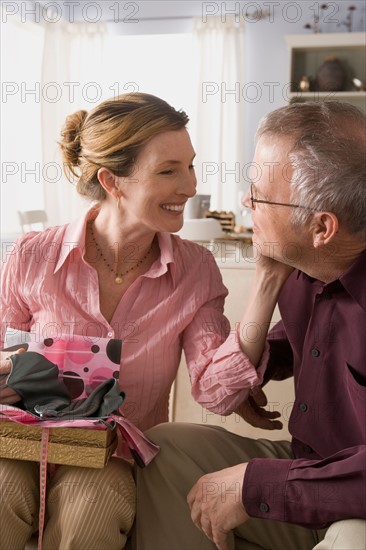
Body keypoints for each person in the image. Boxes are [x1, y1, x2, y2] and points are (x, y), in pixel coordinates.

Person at [0, 92, 270, 550]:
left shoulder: (196, 269)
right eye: (168, 171)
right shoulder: (32, 255)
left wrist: (267, 281)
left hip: (116, 456)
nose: (190, 186)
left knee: (91, 511)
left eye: (190, 165)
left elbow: (214, 391)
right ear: (113, 181)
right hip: (21, 441)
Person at [133, 101, 366, 550]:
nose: (245, 201)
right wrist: (259, 364)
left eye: (258, 194)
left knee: (353, 539)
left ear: (322, 227)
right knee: (167, 448)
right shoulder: (306, 267)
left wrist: (259, 486)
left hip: (353, 496)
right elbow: (305, 339)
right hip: (306, 461)